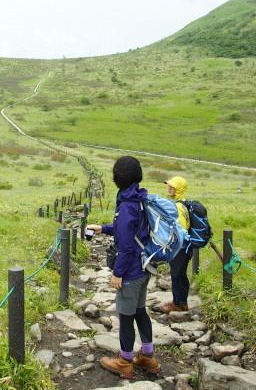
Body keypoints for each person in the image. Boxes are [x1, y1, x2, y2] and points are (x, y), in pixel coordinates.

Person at [86, 156, 160, 378]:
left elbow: (127, 246)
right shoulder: (139, 197)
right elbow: (132, 231)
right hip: (144, 266)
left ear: (119, 178)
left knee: (126, 315)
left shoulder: (127, 205)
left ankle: (125, 361)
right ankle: (148, 356)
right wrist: (104, 228)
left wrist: (118, 274)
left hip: (131, 270)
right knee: (139, 311)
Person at [157, 176, 192, 313]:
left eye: (173, 186)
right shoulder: (182, 203)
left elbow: (181, 230)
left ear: (179, 189)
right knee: (181, 274)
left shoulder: (178, 207)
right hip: (186, 247)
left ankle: (176, 304)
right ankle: (183, 303)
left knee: (176, 275)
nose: (169, 187)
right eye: (169, 185)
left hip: (180, 247)